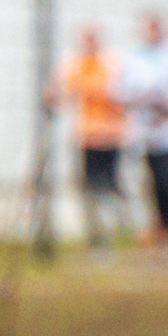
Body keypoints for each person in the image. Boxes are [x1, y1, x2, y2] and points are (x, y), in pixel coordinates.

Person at [118, 11, 168, 245]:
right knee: (148, 181)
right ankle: (156, 227)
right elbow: (122, 89)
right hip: (145, 131)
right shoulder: (134, 56)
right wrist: (143, 99)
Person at [58, 25, 130, 247]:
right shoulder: (77, 63)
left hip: (110, 135)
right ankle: (97, 236)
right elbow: (67, 91)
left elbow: (117, 90)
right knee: (90, 187)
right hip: (87, 136)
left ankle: (116, 231)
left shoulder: (111, 61)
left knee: (110, 187)